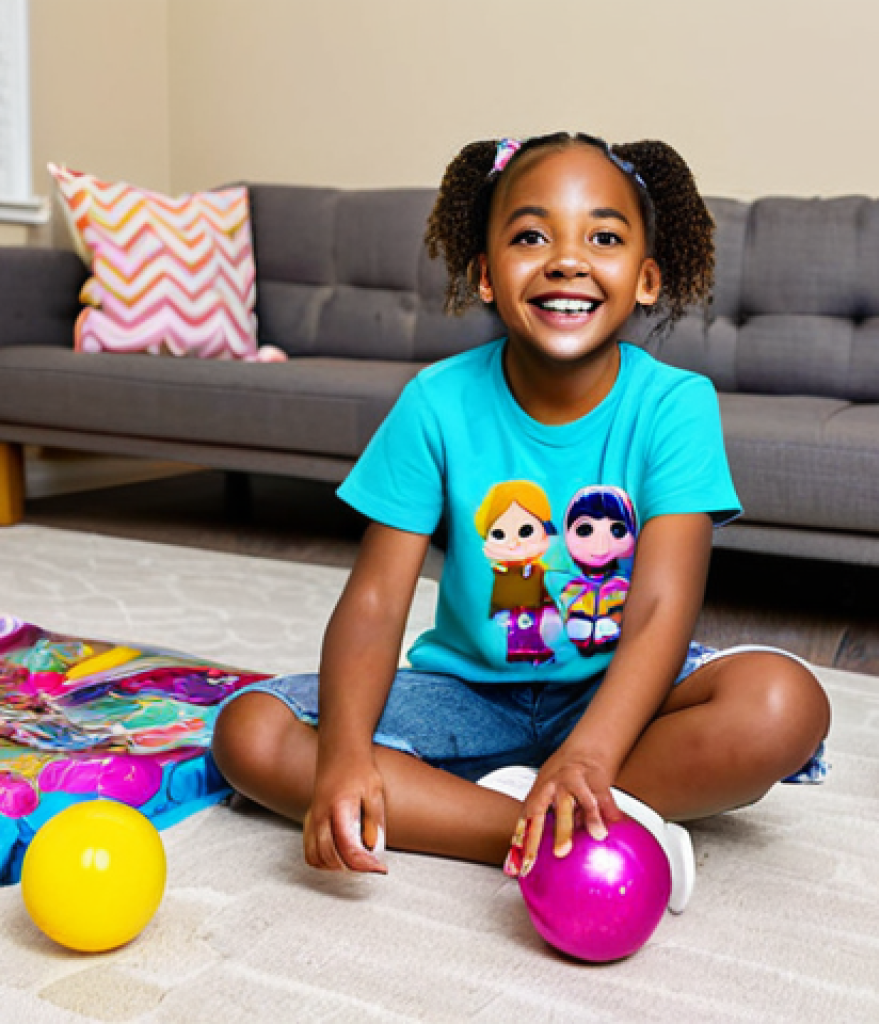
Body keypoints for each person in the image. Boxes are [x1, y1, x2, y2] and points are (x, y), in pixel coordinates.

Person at [212, 132, 831, 905]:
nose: (567, 260)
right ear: (484, 276)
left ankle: (566, 794)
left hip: (618, 696)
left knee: (784, 703)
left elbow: (663, 610)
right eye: (531, 235)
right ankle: (553, 829)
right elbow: (374, 604)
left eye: (602, 237)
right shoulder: (435, 402)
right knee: (250, 731)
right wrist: (341, 756)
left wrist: (591, 754)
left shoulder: (676, 405)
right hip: (470, 697)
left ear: (645, 280)